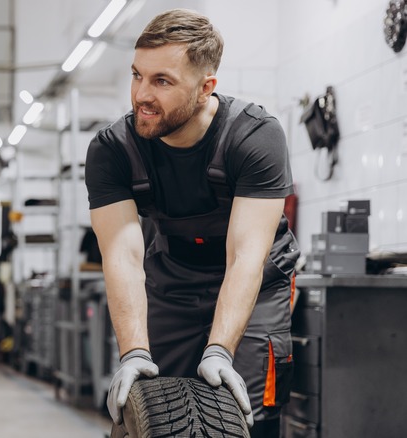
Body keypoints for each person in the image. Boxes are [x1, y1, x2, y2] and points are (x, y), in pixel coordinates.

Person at [84, 8, 299, 438]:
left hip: (253, 286)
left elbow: (245, 258)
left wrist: (219, 351)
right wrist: (134, 352)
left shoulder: (255, 137)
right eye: (136, 75)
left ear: (205, 88)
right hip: (172, 280)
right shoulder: (113, 149)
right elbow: (124, 256)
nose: (141, 93)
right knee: (148, 407)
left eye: (161, 81)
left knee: (244, 413)